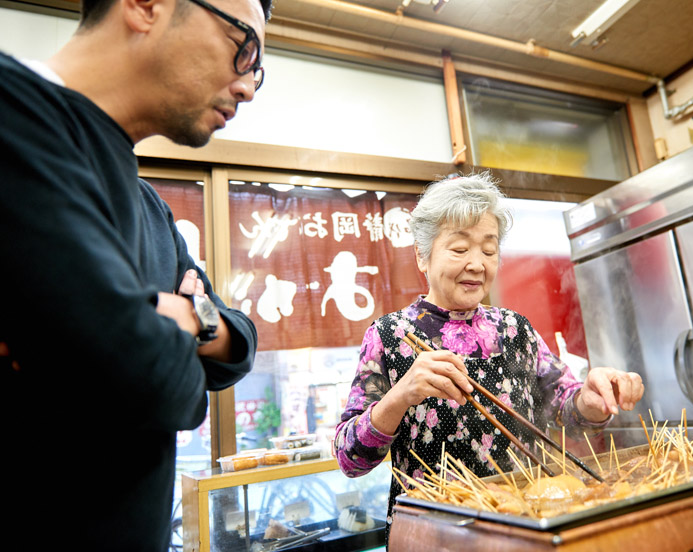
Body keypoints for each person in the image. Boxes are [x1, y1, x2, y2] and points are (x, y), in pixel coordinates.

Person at [0, 0, 271, 549]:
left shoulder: (149, 206)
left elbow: (239, 344)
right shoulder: (13, 111)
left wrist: (181, 318)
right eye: (243, 47)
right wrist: (178, 335)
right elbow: (151, 381)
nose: (247, 87)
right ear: (146, 6)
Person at [332, 173, 645, 540]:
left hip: (524, 528)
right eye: (460, 249)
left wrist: (592, 400)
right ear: (422, 255)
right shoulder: (389, 336)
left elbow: (568, 412)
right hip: (435, 536)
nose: (478, 264)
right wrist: (401, 395)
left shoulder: (516, 328)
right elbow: (350, 459)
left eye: (489, 249)